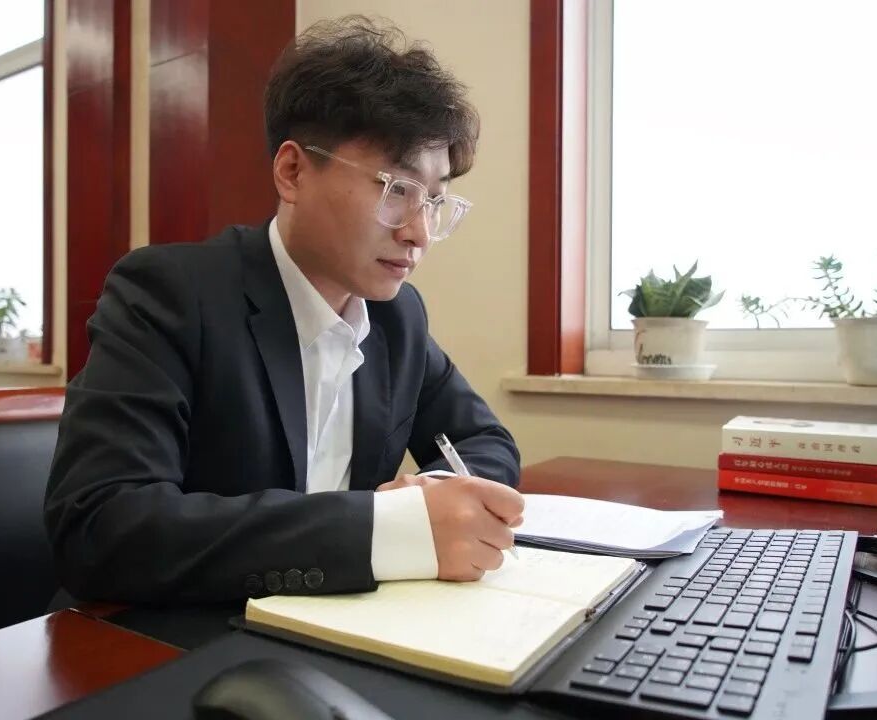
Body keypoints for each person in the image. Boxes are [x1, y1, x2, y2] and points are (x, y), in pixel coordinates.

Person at [44, 16, 523, 606]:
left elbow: (484, 439)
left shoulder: (397, 317)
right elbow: (101, 527)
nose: (419, 233)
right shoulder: (169, 294)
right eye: (395, 189)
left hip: (341, 624)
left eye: (435, 199)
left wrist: (439, 492)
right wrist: (385, 529)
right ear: (292, 171)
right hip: (172, 636)